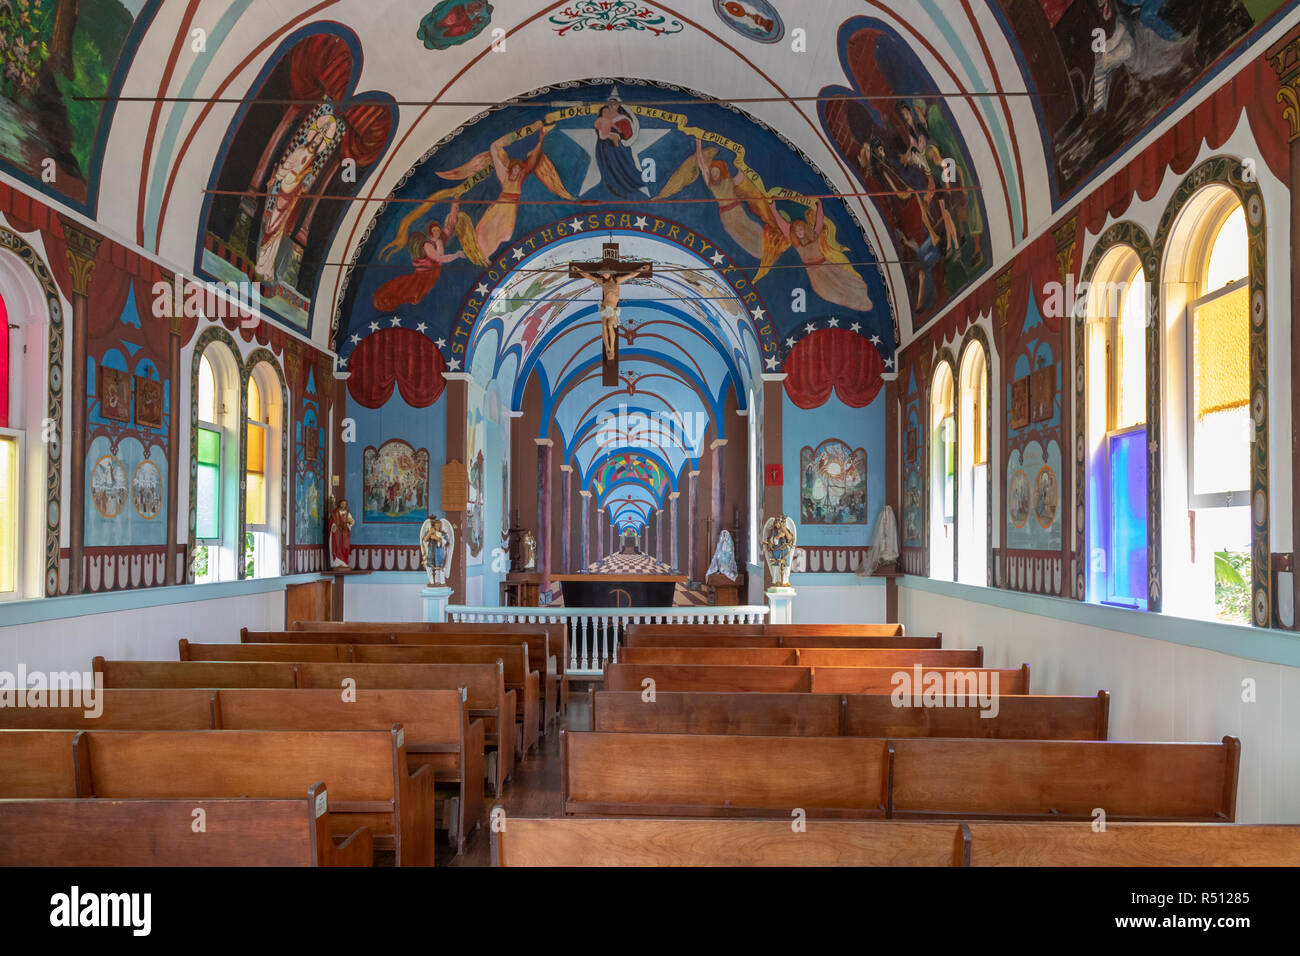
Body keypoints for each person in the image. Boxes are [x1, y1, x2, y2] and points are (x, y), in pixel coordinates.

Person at [571, 260, 652, 360]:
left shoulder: (617, 280)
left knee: (610, 326)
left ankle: (612, 349)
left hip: (612, 308)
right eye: (602, 274)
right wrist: (578, 270)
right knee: (604, 327)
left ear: (610, 273)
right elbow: (589, 276)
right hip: (604, 307)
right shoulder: (602, 282)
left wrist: (641, 269)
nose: (604, 275)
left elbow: (631, 275)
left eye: (605, 273)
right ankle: (607, 348)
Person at [329, 499, 354, 569]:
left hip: (345, 533)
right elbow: (331, 522)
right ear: (339, 504)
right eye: (342, 503)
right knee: (337, 546)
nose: (343, 505)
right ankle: (337, 562)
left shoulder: (347, 513)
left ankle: (344, 562)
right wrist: (333, 526)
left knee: (345, 547)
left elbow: (351, 521)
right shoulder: (335, 513)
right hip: (337, 533)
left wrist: (349, 524)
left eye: (345, 504)